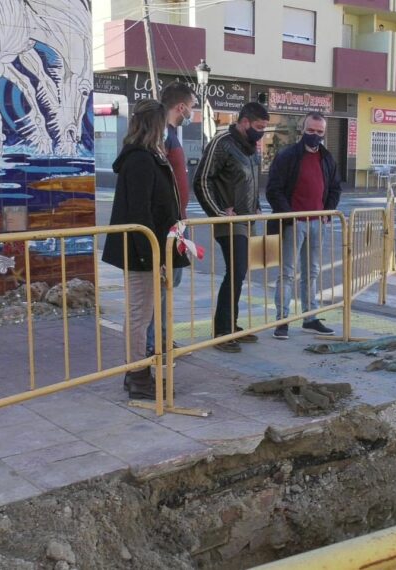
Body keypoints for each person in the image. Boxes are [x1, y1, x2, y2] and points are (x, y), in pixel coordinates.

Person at [101, 100, 191, 400]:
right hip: (143, 250)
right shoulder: (140, 160)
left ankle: (137, 373)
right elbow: (140, 213)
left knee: (142, 312)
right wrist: (154, 256)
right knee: (140, 314)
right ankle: (138, 375)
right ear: (155, 126)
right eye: (164, 124)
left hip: (149, 247)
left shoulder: (148, 157)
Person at [194, 101, 270, 353]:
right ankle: (222, 331)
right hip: (230, 221)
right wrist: (218, 212)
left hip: (248, 220)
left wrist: (257, 205)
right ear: (245, 122)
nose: (261, 132)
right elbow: (202, 179)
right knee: (235, 271)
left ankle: (231, 324)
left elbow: (251, 180)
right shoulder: (222, 143)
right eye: (259, 126)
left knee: (240, 273)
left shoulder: (249, 148)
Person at [266, 112, 341, 339]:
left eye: (319, 132)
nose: (315, 135)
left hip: (318, 223)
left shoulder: (327, 158)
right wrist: (289, 215)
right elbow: (274, 189)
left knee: (312, 272)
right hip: (293, 224)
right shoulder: (288, 156)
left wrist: (327, 211)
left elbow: (335, 188)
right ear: (303, 130)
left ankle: (310, 317)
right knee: (287, 273)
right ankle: (283, 320)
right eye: (311, 131)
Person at [144, 82, 197, 358]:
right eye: (191, 106)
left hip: (177, 222)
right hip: (168, 224)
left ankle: (162, 339)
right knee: (163, 285)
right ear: (181, 107)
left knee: (169, 284)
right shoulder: (163, 134)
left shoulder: (170, 133)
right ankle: (156, 342)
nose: (192, 111)